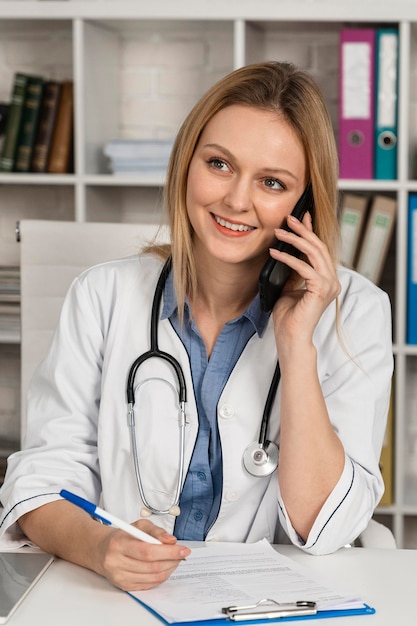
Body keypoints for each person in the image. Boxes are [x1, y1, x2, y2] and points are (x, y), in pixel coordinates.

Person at [0, 61, 393, 591]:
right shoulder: (103, 295)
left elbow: (322, 527)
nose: (235, 200)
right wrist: (100, 547)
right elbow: (42, 482)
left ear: (303, 205)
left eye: (272, 182)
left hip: (272, 604)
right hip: (114, 599)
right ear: (187, 163)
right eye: (220, 164)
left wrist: (297, 344)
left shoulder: (357, 311)